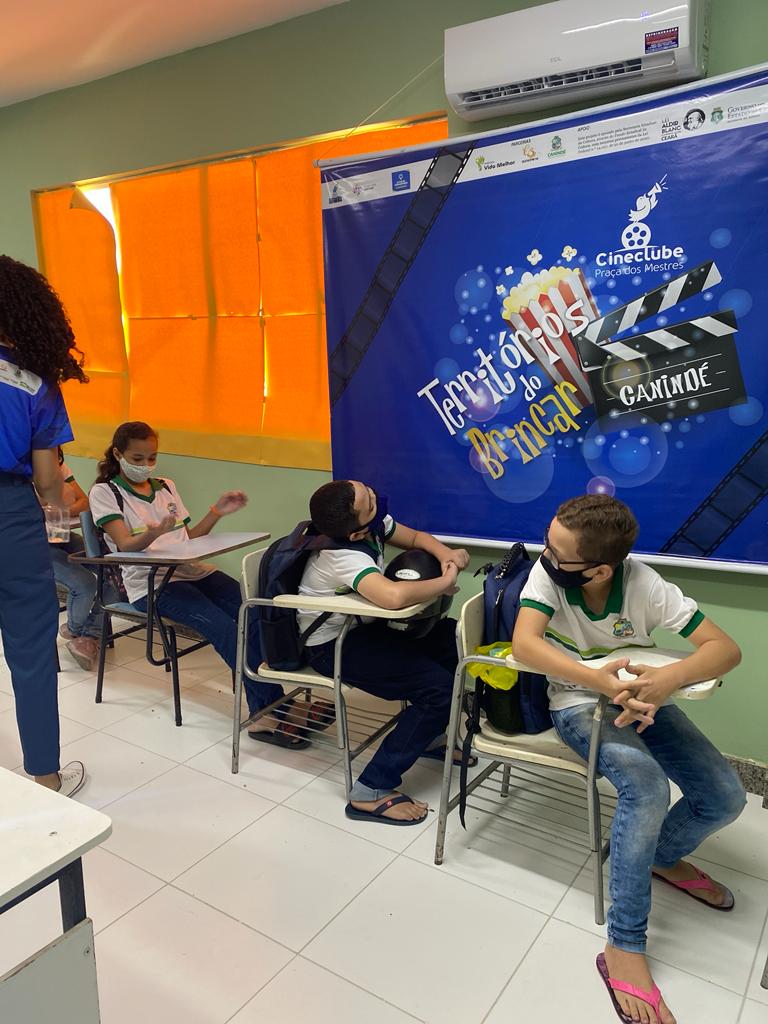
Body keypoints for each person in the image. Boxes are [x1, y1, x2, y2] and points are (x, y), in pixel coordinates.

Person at [513, 494, 746, 1024]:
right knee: (646, 788)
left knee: (724, 797)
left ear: (600, 569)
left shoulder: (644, 584)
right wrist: (596, 679)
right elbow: (525, 645)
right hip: (575, 701)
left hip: (640, 697)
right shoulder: (547, 576)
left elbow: (725, 649)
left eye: (557, 552)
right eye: (548, 542)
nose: (545, 555)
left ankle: (659, 855)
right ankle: (623, 944)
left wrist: (668, 679)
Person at [88, 421, 323, 740]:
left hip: (191, 571)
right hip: (150, 584)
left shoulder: (165, 486)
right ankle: (267, 713)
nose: (146, 465)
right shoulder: (105, 492)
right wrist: (154, 533)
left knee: (255, 610)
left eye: (152, 457)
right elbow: (125, 545)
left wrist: (217, 512)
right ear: (118, 454)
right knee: (225, 629)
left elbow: (189, 538)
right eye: (138, 458)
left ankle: (273, 701)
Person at [299, 480, 470, 825]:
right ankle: (370, 789)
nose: (375, 496)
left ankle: (427, 735)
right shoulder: (341, 555)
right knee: (437, 690)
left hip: (360, 629)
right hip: (331, 647)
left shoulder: (369, 523)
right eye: (370, 502)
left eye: (367, 490)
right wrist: (445, 582)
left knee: (451, 639)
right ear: (357, 533)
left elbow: (416, 538)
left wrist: (446, 555)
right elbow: (393, 597)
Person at [0, 254, 88, 797]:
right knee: (31, 649)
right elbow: (49, 480)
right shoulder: (34, 381)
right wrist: (56, 534)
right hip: (11, 514)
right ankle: (46, 777)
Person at [42, 448, 104, 671]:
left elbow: (83, 502)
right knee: (85, 583)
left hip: (62, 533)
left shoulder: (60, 466)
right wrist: (61, 504)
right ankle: (78, 632)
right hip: (35, 545)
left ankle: (88, 634)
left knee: (112, 571)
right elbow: (41, 509)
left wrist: (61, 510)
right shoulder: (20, 474)